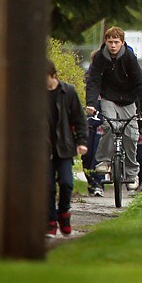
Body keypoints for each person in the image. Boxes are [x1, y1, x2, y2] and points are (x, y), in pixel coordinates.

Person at [85, 27, 142, 191]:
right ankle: (105, 160)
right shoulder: (100, 57)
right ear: (105, 42)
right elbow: (93, 81)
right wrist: (91, 104)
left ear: (122, 43)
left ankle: (131, 174)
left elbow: (141, 82)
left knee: (131, 134)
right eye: (110, 42)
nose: (113, 45)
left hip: (129, 100)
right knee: (109, 125)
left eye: (116, 42)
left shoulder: (129, 57)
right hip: (109, 98)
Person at [46, 59, 88, 238]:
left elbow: (79, 118)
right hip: (43, 148)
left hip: (64, 146)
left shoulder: (68, 92)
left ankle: (64, 213)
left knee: (66, 182)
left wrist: (82, 141)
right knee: (47, 187)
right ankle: (50, 220)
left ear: (53, 75)